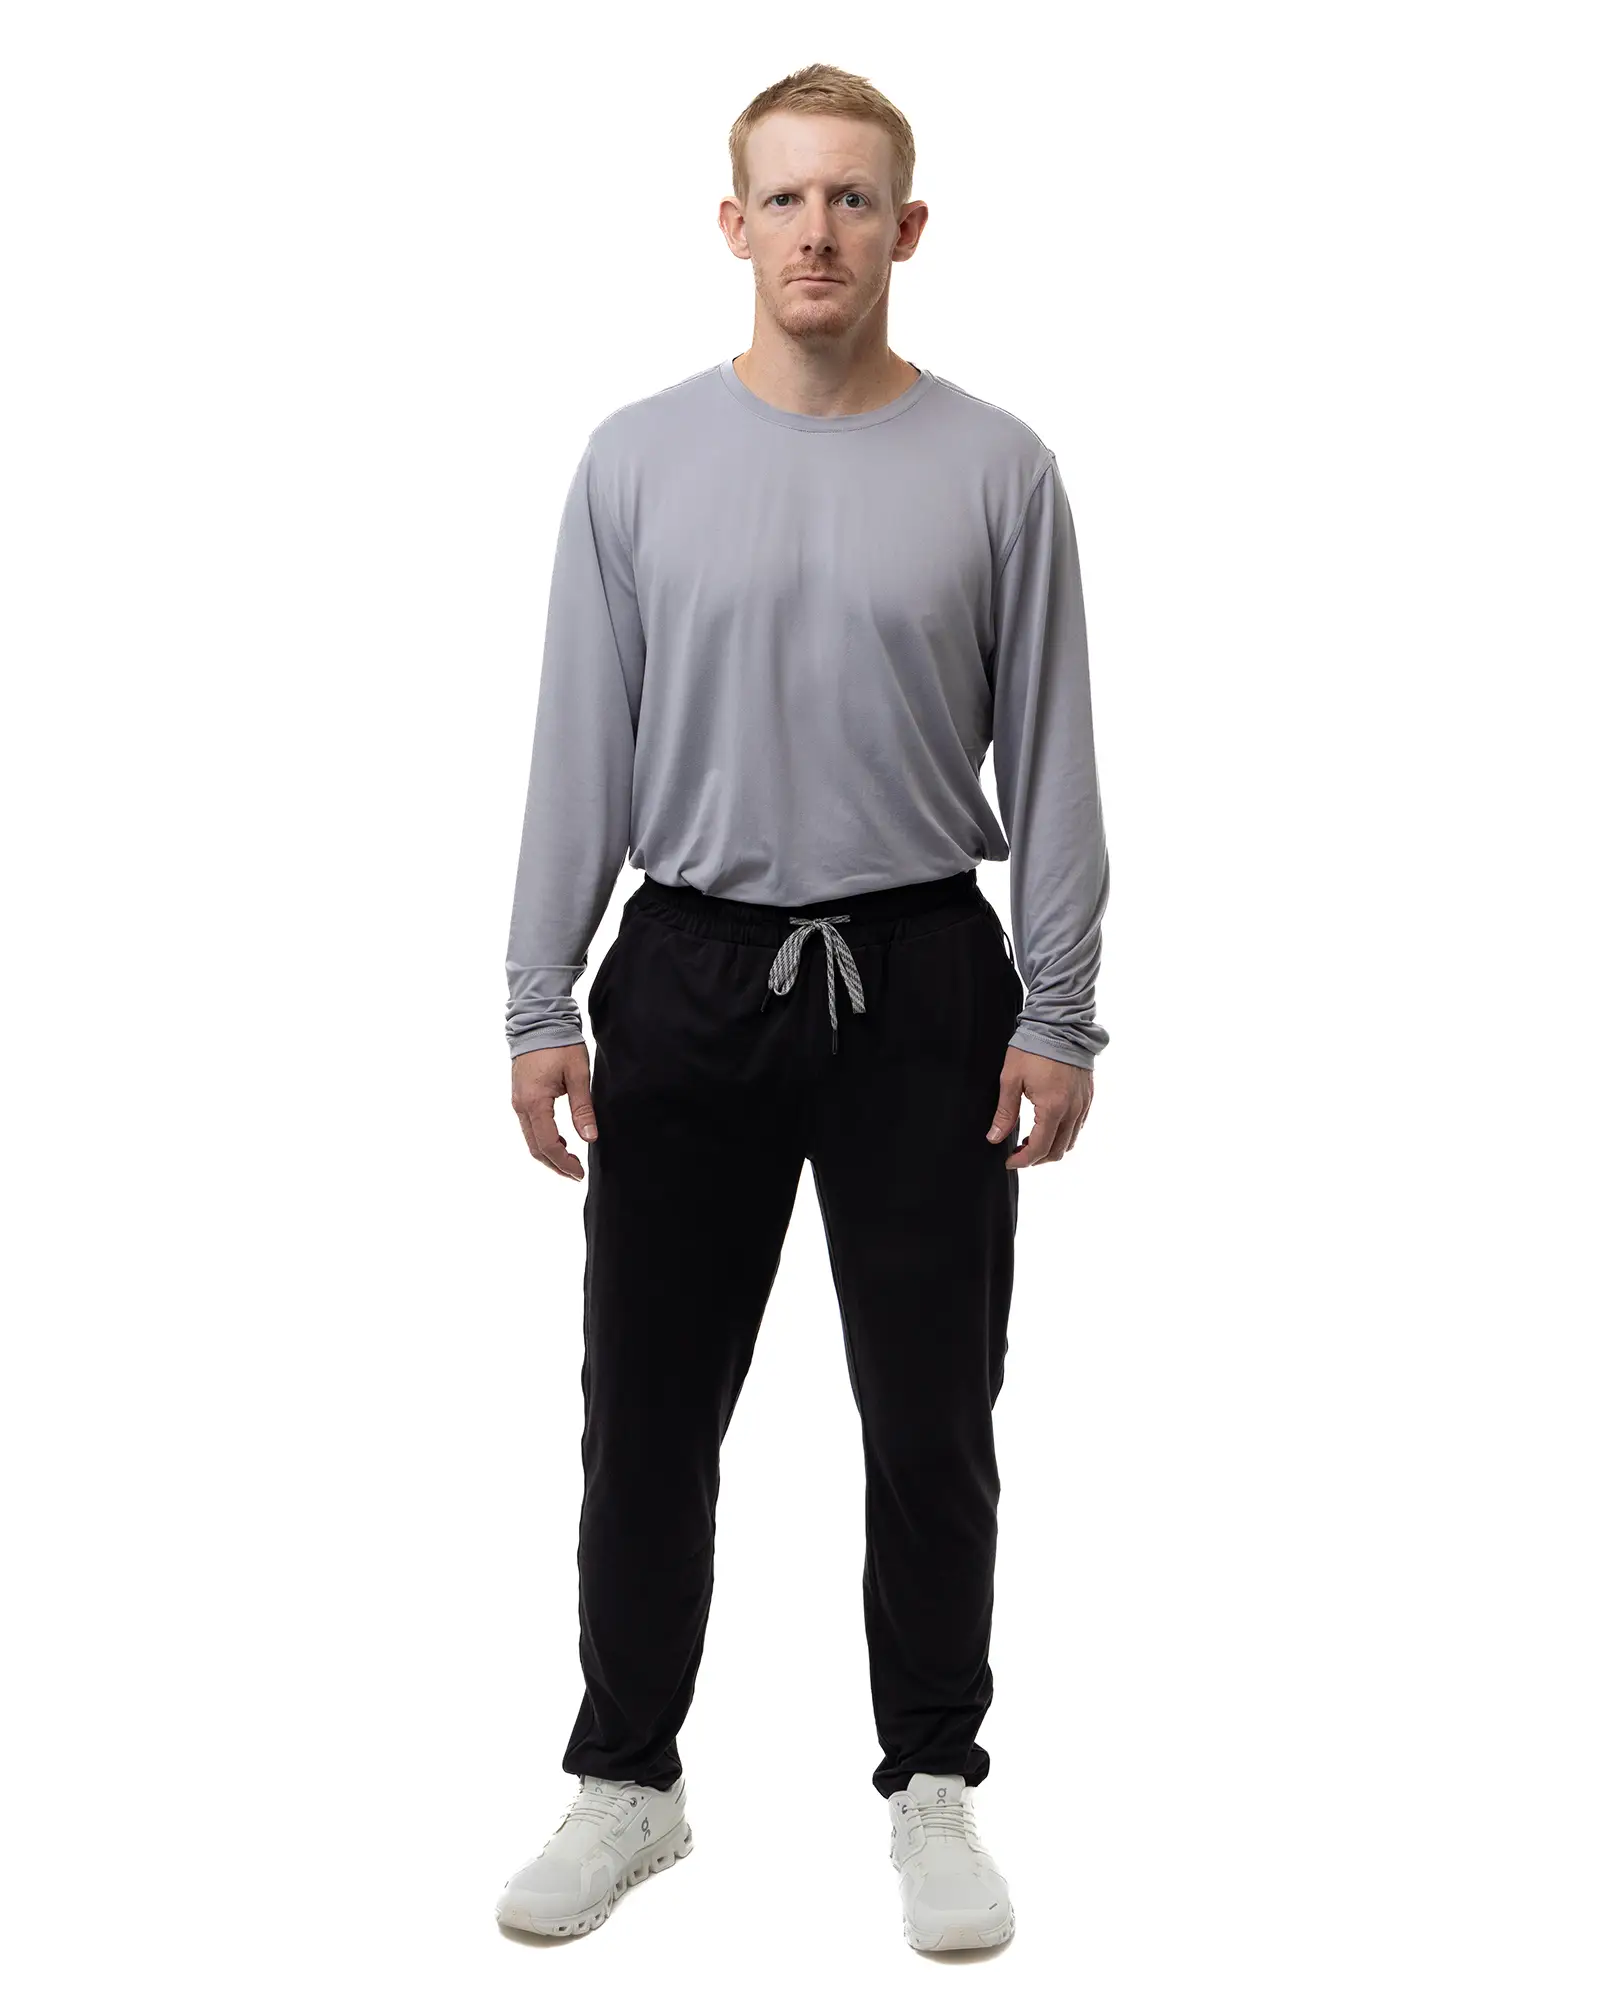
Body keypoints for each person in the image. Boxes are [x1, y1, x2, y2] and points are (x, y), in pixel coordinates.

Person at [495, 63, 1109, 1954]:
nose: (818, 232)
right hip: (689, 974)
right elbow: (578, 743)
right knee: (647, 1410)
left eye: (853, 199)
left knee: (932, 1415)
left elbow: (1057, 752)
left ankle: (934, 1784)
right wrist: (539, 995)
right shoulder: (636, 461)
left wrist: (1060, 1008)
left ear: (906, 227)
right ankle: (628, 1780)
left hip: (922, 978)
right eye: (786, 199)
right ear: (733, 224)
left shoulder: (998, 467)